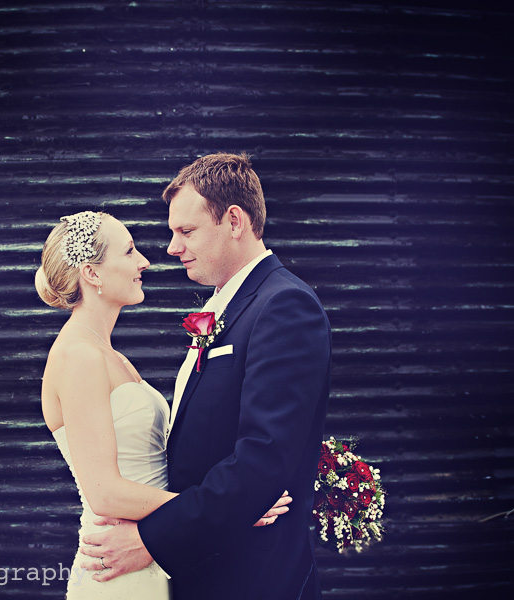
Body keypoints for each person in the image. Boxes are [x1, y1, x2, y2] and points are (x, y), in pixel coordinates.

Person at [78, 154, 332, 600]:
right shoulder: (229, 305)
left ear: (234, 221)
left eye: (186, 231)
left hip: (250, 579)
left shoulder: (284, 306)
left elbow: (262, 459)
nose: (171, 248)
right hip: (206, 570)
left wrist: (153, 539)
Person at [36, 210, 292, 599]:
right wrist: (228, 511)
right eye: (129, 251)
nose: (144, 262)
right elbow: (104, 492)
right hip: (117, 571)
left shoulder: (111, 356)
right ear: (92, 273)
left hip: (154, 554)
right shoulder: (79, 356)